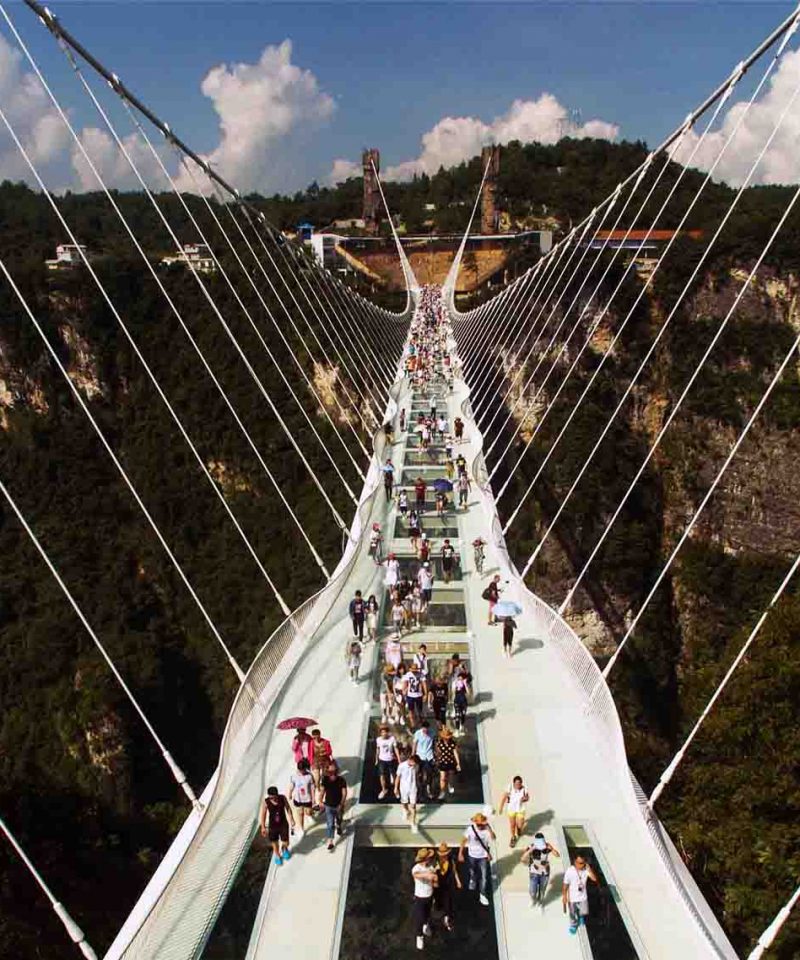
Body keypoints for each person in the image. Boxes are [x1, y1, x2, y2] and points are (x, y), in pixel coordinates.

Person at [458, 813, 495, 906]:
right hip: (472, 855)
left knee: (484, 877)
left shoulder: (486, 831)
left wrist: (489, 828)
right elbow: (463, 841)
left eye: (480, 824)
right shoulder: (470, 829)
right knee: (472, 871)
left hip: (483, 856)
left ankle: (482, 894)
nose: (478, 825)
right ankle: (473, 879)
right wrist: (460, 853)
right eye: (477, 823)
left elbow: (493, 838)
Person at [259, 785, 296, 866]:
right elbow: (263, 814)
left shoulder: (282, 798)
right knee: (274, 842)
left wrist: (291, 819)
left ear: (277, 795)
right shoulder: (266, 802)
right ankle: (277, 855)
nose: (273, 799)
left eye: (274, 797)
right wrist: (263, 827)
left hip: (283, 823)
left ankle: (284, 848)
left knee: (286, 841)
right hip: (273, 825)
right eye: (271, 798)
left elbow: (288, 808)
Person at [523, 832, 560, 907]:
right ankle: (533, 900)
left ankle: (540, 902)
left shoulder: (547, 846)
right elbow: (523, 858)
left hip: (544, 873)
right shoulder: (531, 846)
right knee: (532, 891)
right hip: (534, 872)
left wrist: (552, 849)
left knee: (542, 891)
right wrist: (531, 850)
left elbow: (557, 855)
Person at [563, 855, 598, 934]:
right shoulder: (570, 871)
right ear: (575, 862)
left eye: (583, 863)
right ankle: (573, 925)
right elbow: (565, 884)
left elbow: (594, 879)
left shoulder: (586, 870)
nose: (581, 865)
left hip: (583, 897)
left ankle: (581, 916)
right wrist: (564, 896)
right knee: (572, 913)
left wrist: (589, 869)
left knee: (584, 912)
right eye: (579, 863)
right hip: (572, 898)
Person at [411, 848, 438, 951]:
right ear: (424, 859)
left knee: (427, 914)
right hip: (420, 897)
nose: (430, 859)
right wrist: (427, 875)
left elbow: (434, 881)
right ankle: (419, 936)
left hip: (429, 895)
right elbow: (416, 875)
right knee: (419, 917)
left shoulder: (431, 867)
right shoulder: (416, 868)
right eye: (428, 858)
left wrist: (435, 880)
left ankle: (426, 926)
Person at [434, 842, 462, 931]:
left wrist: (458, 881)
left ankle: (447, 917)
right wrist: (436, 869)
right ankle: (441, 913)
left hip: (448, 882)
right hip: (439, 883)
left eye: (445, 854)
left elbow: (454, 870)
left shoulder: (451, 860)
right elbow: (432, 872)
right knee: (439, 899)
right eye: (442, 854)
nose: (444, 856)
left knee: (448, 899)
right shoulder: (436, 861)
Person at [320, 762, 348, 852]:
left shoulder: (341, 780)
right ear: (328, 772)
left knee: (339, 819)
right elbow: (322, 791)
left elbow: (344, 793)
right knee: (330, 824)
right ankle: (330, 841)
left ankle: (339, 825)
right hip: (328, 805)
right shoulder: (325, 780)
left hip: (338, 805)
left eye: (334, 772)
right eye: (330, 772)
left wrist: (341, 804)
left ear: (337, 772)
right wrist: (320, 800)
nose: (332, 774)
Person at [498, 775, 529, 847]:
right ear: (514, 783)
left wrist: (524, 799)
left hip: (520, 809)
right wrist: (501, 808)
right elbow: (504, 797)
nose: (518, 785)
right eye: (516, 784)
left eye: (519, 783)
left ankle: (519, 829)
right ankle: (513, 837)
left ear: (521, 783)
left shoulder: (524, 789)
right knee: (512, 825)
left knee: (520, 824)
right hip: (511, 809)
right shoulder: (510, 788)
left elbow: (527, 797)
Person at [394, 750, 420, 831]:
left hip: (413, 788)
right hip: (403, 788)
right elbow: (398, 777)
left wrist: (417, 784)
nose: (415, 765)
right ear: (410, 760)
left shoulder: (416, 766)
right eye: (414, 763)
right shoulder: (401, 766)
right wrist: (396, 788)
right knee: (404, 802)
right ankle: (405, 810)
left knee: (413, 806)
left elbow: (416, 775)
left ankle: (413, 823)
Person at [288, 759, 314, 835]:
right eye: (300, 770)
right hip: (298, 799)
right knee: (300, 814)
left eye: (303, 770)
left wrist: (313, 798)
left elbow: (312, 787)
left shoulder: (309, 776)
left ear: (305, 768)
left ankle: (309, 814)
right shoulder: (294, 776)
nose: (301, 771)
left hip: (307, 798)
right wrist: (290, 793)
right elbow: (292, 785)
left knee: (308, 812)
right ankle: (302, 828)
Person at [434, 726, 461, 798]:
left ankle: (450, 784)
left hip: (451, 762)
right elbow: (438, 752)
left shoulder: (453, 743)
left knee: (450, 776)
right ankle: (442, 791)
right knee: (442, 778)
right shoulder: (439, 743)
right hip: (442, 762)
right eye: (446, 738)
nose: (447, 739)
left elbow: (455, 753)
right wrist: (437, 760)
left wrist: (458, 763)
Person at [412, 720, 436, 801]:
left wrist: (435, 755)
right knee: (419, 774)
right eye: (423, 728)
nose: (425, 730)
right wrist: (413, 755)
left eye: (426, 728)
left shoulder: (432, 733)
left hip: (429, 756)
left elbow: (434, 744)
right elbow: (414, 744)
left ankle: (428, 789)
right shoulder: (418, 733)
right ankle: (420, 790)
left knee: (429, 773)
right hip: (419, 756)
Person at [375, 723, 400, 799]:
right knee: (381, 775)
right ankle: (383, 790)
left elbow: (395, 749)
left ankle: (396, 790)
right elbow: (378, 749)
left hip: (390, 759)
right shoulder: (378, 739)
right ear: (380, 733)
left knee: (394, 774)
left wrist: (399, 759)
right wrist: (376, 759)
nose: (384, 733)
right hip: (382, 760)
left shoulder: (392, 739)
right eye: (382, 732)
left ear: (387, 732)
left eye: (385, 732)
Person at [309, 728, 333, 804]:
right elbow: (310, 753)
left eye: (317, 737)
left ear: (320, 735)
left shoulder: (325, 742)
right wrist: (310, 762)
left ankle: (322, 789)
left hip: (325, 760)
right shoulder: (311, 743)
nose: (316, 738)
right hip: (315, 760)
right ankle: (318, 787)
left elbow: (330, 752)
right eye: (314, 737)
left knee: (325, 776)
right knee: (317, 777)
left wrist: (325, 752)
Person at [403, 662, 427, 730]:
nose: (414, 671)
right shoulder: (408, 675)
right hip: (410, 695)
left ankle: (421, 723)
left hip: (419, 695)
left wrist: (425, 694)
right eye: (413, 669)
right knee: (411, 710)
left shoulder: (421, 675)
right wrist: (404, 690)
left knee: (419, 710)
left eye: (415, 669)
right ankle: (413, 725)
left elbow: (424, 684)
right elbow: (405, 683)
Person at [452, 667, 471, 737]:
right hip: (457, 700)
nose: (460, 679)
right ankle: (456, 730)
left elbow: (469, 693)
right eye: (459, 677)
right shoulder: (455, 683)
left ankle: (461, 726)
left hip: (463, 701)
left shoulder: (465, 684)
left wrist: (465, 684)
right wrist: (457, 686)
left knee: (463, 714)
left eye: (462, 678)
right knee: (457, 715)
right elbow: (453, 692)